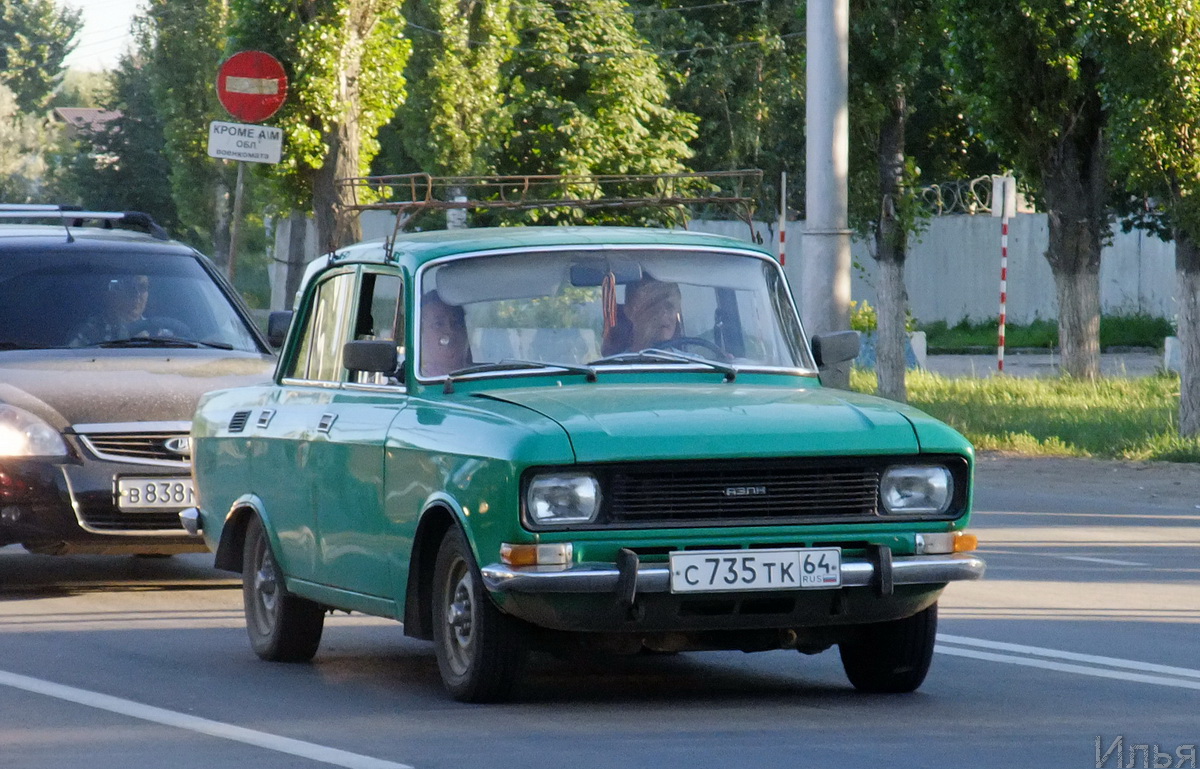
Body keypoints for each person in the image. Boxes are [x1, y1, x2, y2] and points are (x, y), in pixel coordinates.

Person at [602, 277, 682, 354]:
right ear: (629, 311)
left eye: (670, 306)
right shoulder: (613, 366)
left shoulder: (692, 364)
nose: (664, 314)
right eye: (653, 306)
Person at [68, 275, 153, 347]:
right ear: (110, 295)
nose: (136, 295)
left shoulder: (159, 333)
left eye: (143, 287)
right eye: (129, 288)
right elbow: (70, 360)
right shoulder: (89, 331)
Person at [420, 292, 471, 376]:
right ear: (421, 334)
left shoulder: (484, 379)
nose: (450, 331)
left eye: (456, 323)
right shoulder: (414, 383)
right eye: (438, 324)